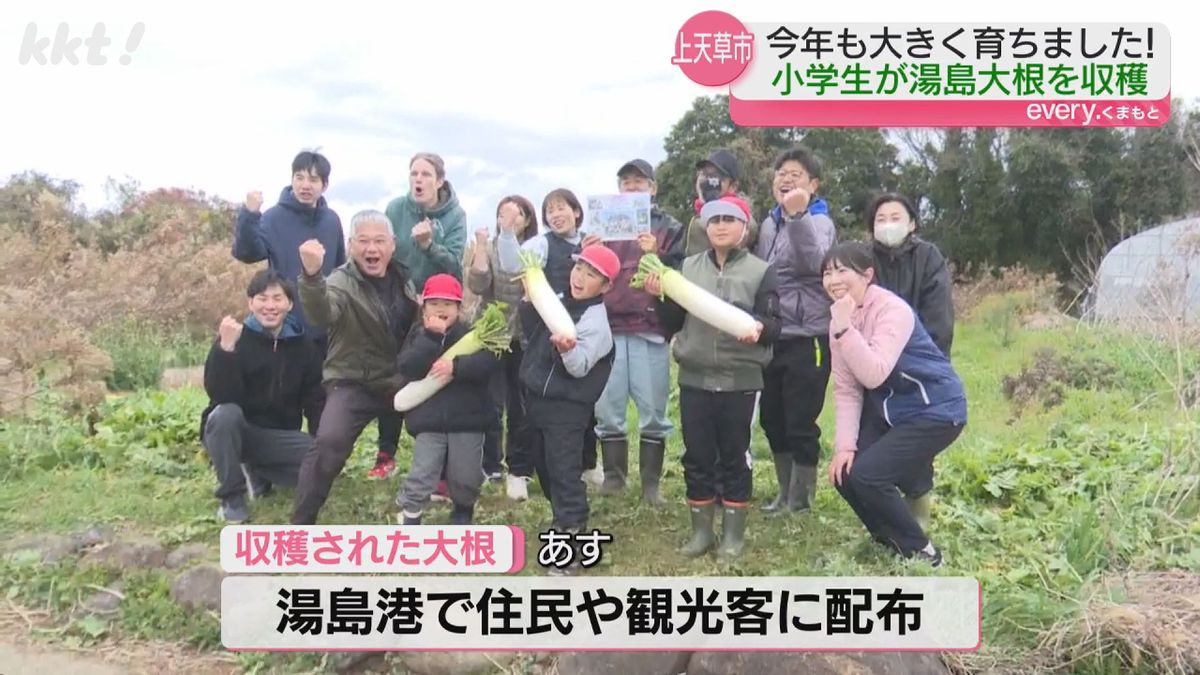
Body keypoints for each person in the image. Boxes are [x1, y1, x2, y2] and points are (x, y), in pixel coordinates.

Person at [644, 196, 782, 561]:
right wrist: (659, 298)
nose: (720, 225)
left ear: (745, 227)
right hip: (695, 377)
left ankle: (733, 537)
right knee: (698, 456)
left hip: (741, 379)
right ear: (705, 226)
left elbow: (775, 326)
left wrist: (755, 326)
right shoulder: (687, 268)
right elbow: (671, 324)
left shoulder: (761, 270)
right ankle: (701, 532)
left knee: (736, 457)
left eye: (729, 219)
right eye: (714, 219)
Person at [823, 242, 966, 568]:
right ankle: (890, 541)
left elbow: (874, 373)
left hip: (937, 410)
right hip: (894, 412)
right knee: (845, 473)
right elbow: (847, 389)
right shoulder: (839, 320)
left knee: (869, 476)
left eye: (842, 270)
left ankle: (924, 552)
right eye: (827, 273)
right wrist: (845, 446)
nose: (833, 279)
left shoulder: (892, 310)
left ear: (867, 275)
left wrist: (845, 328)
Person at [291, 210, 419, 525]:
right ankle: (301, 523)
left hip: (400, 380)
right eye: (363, 241)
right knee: (330, 443)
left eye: (379, 241)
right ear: (351, 245)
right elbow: (321, 313)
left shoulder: (405, 278)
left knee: (451, 419)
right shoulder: (339, 281)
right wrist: (310, 277)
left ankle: (455, 502)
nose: (371, 249)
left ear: (392, 245)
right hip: (353, 382)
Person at [518, 244, 617, 575]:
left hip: (567, 409)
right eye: (579, 269)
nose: (580, 277)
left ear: (605, 287)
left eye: (591, 275)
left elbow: (580, 367)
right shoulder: (559, 300)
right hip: (538, 401)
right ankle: (562, 518)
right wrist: (529, 303)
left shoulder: (596, 323)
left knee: (563, 471)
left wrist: (566, 350)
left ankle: (572, 538)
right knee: (544, 467)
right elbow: (533, 330)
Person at [592, 159, 685, 505]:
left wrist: (655, 253)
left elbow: (680, 271)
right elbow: (587, 272)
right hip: (609, 327)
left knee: (653, 409)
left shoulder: (669, 226)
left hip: (650, 326)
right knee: (608, 407)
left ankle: (651, 485)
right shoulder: (602, 223)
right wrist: (590, 248)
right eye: (626, 182)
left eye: (639, 182)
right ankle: (614, 478)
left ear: (653, 189)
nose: (632, 187)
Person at [200, 270, 325, 523]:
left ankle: (258, 473)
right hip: (236, 429)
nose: (270, 306)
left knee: (321, 460)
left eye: (277, 299)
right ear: (250, 303)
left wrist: (324, 441)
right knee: (225, 414)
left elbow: (315, 399)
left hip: (275, 436)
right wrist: (226, 349)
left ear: (289, 304)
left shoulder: (304, 347)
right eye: (262, 298)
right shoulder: (235, 338)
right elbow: (220, 395)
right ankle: (232, 497)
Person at [497, 188, 602, 488]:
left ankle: (587, 464)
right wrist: (507, 233)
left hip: (583, 330)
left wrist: (597, 250)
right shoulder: (542, 244)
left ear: (577, 212)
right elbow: (513, 264)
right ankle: (519, 471)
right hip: (544, 334)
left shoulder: (592, 240)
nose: (556, 215)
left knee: (583, 400)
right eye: (550, 211)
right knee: (532, 404)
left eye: (561, 208)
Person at [372, 152, 468, 480]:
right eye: (414, 173)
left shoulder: (455, 216)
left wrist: (429, 246)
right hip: (399, 301)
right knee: (395, 372)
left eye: (426, 174)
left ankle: (439, 461)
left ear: (439, 181)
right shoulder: (397, 209)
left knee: (436, 375)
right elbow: (384, 252)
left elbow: (455, 265)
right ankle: (386, 452)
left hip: (437, 308)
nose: (418, 180)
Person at [753, 147, 838, 515]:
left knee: (800, 420)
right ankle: (784, 493)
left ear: (813, 185)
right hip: (775, 333)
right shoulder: (769, 223)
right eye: (781, 173)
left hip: (809, 334)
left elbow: (815, 264)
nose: (785, 180)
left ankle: (801, 501)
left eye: (795, 175)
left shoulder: (819, 221)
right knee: (772, 417)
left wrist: (798, 215)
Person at [866, 193, 956, 526]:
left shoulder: (928, 257)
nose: (887, 225)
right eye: (880, 219)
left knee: (916, 442)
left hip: (918, 365)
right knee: (872, 438)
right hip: (873, 365)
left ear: (912, 223)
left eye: (895, 217)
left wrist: (919, 363)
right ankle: (882, 511)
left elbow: (939, 317)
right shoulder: (864, 260)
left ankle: (918, 510)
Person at [395, 274, 501, 526]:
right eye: (434, 303)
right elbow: (409, 367)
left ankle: (463, 509)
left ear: (460, 308)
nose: (441, 308)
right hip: (430, 421)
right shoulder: (418, 335)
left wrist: (457, 367)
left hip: (468, 420)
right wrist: (431, 339)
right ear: (423, 308)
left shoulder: (474, 335)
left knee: (466, 475)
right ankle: (410, 512)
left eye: (448, 303)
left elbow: (487, 365)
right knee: (423, 472)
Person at [231, 149, 346, 355]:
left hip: (324, 327)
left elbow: (340, 270)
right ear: (292, 179)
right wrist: (249, 214)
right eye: (299, 178)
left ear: (325, 185)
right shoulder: (273, 217)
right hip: (285, 324)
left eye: (313, 179)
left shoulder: (332, 220)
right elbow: (246, 253)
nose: (305, 185)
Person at [462, 195, 539, 500]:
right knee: (490, 403)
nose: (510, 219)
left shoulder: (535, 249)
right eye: (503, 214)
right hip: (492, 333)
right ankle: (490, 464)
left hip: (524, 337)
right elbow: (479, 286)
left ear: (527, 220)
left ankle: (519, 468)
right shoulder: (490, 247)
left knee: (521, 405)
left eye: (517, 214)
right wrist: (480, 247)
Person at [684, 149, 759, 257]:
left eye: (716, 177)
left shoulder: (740, 220)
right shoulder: (699, 213)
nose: (709, 182)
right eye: (704, 174)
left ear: (733, 186)